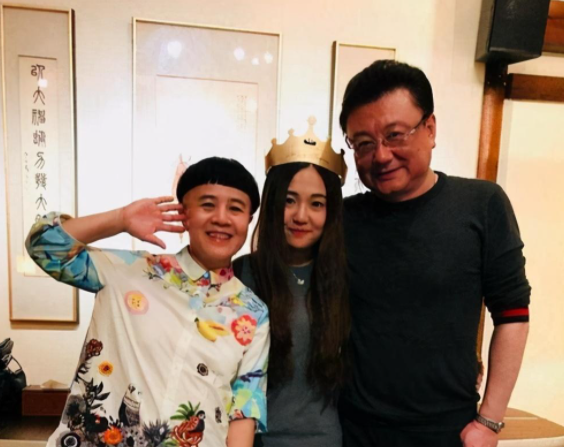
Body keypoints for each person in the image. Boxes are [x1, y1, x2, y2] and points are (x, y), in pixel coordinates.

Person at [338, 60, 530, 447]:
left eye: (395, 135)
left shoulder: (481, 205)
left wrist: (489, 421)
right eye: (364, 143)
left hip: (448, 431)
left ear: (430, 129)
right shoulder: (342, 218)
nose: (381, 156)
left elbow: (513, 314)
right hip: (354, 430)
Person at [26, 157, 269, 447]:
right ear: (184, 213)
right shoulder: (127, 271)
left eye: (235, 208)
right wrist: (120, 220)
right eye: (207, 205)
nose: (221, 218)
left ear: (249, 220)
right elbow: (44, 245)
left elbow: (243, 411)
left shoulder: (252, 313)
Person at [234, 119, 350, 447]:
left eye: (317, 203)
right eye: (289, 200)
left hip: (325, 441)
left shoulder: (343, 279)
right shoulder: (240, 275)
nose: (301, 215)